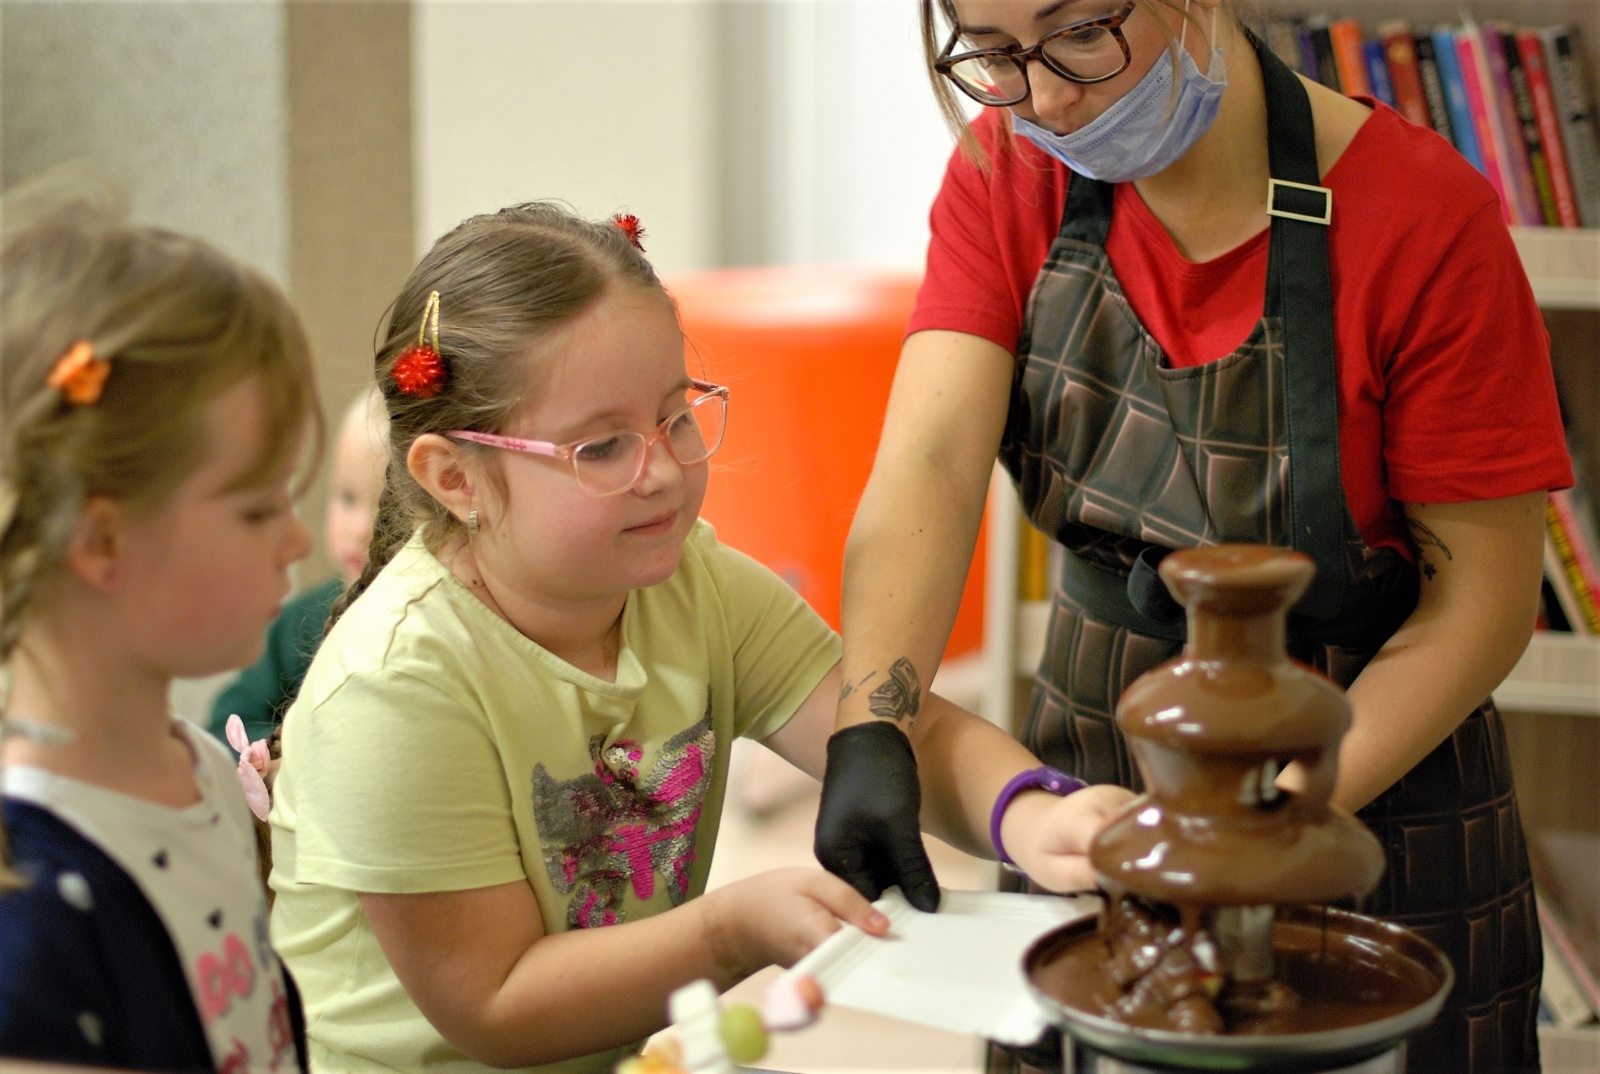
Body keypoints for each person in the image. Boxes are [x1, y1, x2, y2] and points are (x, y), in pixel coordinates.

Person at [814, 3, 1571, 1073]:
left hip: (1368, 784)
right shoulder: (1007, 174)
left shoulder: (1421, 215)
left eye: (1080, 31)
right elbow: (927, 468)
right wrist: (872, 725)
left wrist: (1263, 827)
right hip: (1092, 770)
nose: (1045, 98)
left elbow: (1480, 603)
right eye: (992, 53)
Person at [266, 201, 1135, 1074]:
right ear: (457, 476)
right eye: (602, 448)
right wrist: (730, 931)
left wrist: (1027, 814)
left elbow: (883, 729)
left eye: (677, 416)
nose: (666, 469)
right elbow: (495, 1003)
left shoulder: (695, 586)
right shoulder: (395, 687)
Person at [0, 189, 320, 1071]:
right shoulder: (30, 913)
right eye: (259, 509)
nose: (297, 539)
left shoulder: (202, 775)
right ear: (104, 539)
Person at [208, 384, 388, 748]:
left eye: (388, 511)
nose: (361, 529)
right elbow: (226, 725)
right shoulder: (298, 623)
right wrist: (273, 753)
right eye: (348, 499)